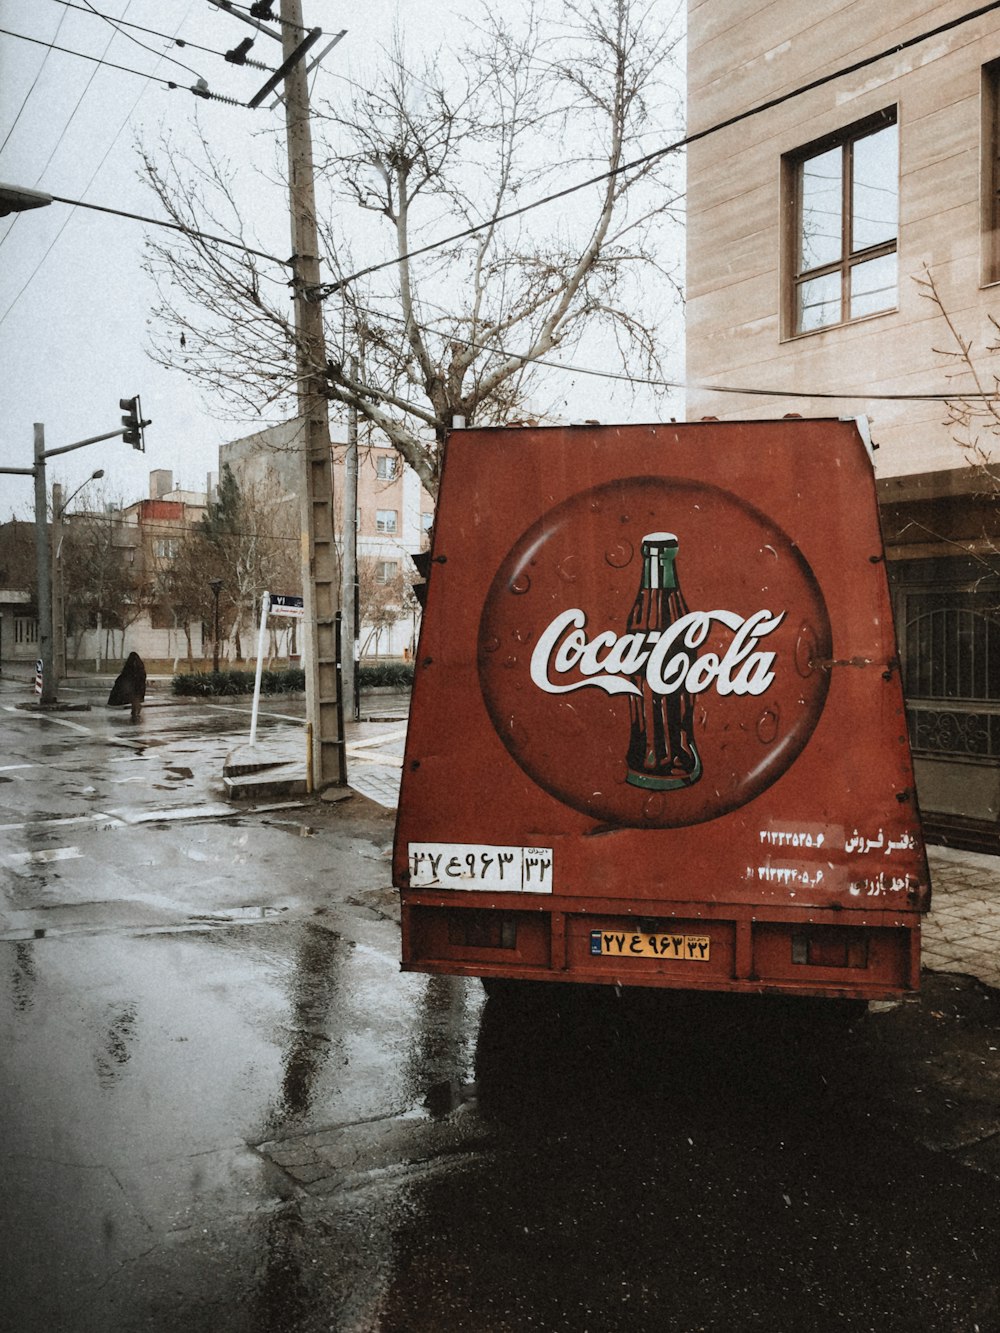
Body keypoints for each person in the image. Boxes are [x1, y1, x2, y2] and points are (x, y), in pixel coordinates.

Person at [108, 652, 147, 723]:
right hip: (136, 690)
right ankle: (135, 711)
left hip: (132, 690)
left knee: (134, 698)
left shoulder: (129, 669)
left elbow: (123, 679)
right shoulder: (140, 669)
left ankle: (135, 711)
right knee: (135, 699)